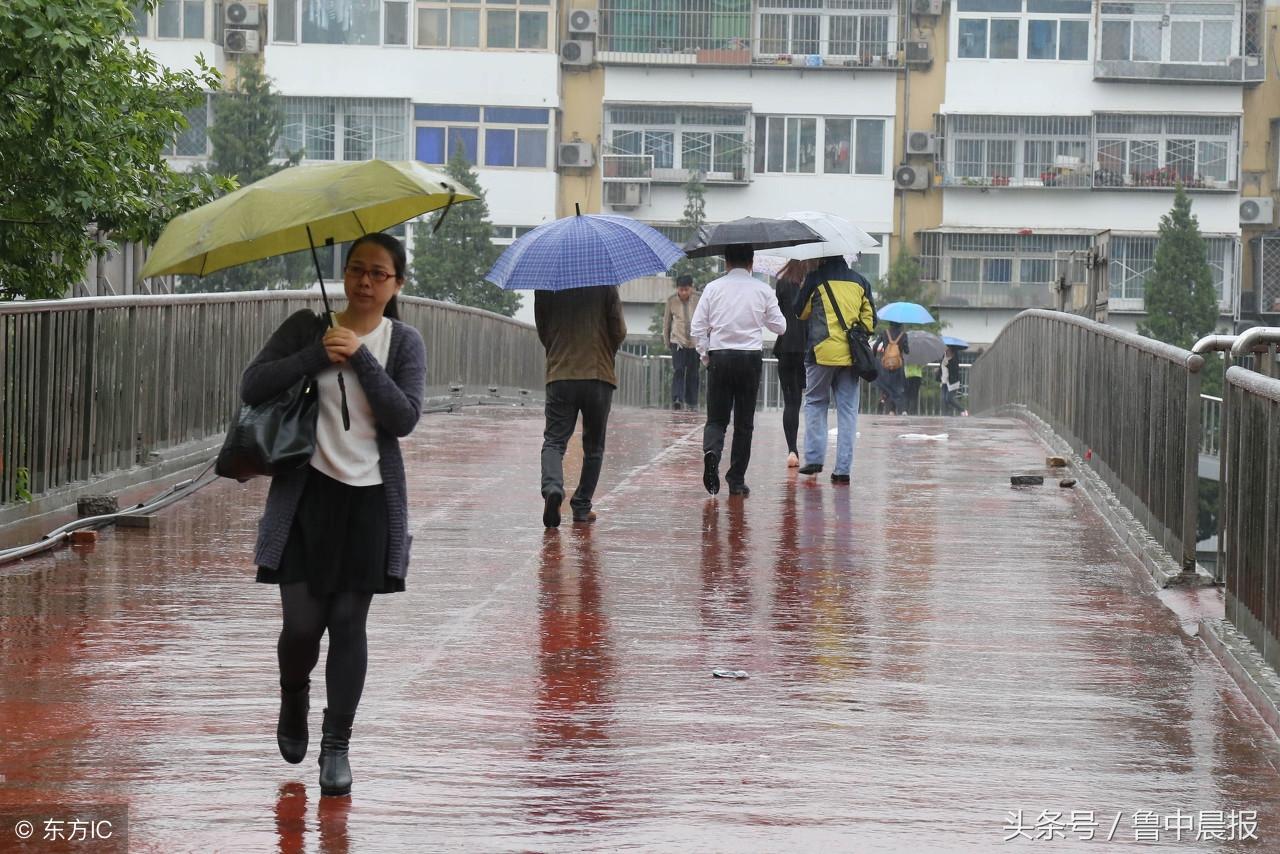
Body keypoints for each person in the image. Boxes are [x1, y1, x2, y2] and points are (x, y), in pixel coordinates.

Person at [243, 232, 426, 799]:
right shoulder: (307, 325)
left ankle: (337, 745)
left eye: (378, 273)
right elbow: (252, 385)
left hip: (369, 500)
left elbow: (404, 418)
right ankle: (293, 692)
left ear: (396, 283)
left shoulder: (404, 341)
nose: (365, 282)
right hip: (305, 497)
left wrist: (361, 358)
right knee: (302, 626)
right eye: (355, 270)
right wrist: (315, 354)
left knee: (349, 623)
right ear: (343, 275)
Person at [691, 244, 787, 497]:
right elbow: (781, 327)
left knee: (716, 419)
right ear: (751, 262)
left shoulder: (712, 288)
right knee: (744, 424)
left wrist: (705, 355)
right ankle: (736, 480)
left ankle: (712, 451)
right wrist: (761, 316)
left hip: (720, 356)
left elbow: (697, 328)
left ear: (726, 263)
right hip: (749, 359)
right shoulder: (763, 290)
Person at [536, 285, 627, 528]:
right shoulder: (606, 285)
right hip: (598, 374)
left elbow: (543, 331)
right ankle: (582, 506)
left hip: (561, 374)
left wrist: (559, 353)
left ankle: (553, 487)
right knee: (594, 446)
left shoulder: (546, 286)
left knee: (554, 441)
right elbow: (618, 331)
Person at [793, 255, 875, 484]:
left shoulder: (814, 279)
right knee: (848, 411)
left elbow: (800, 312)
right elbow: (870, 322)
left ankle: (814, 459)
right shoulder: (860, 282)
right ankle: (842, 470)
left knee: (816, 403)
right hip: (851, 357)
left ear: (822, 257)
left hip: (821, 352)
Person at [773, 259, 812, 467]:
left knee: (791, 403)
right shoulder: (812, 281)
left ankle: (792, 450)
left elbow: (777, 315)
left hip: (786, 345)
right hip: (808, 347)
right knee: (812, 402)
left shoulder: (782, 282)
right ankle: (813, 451)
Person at [663, 274, 701, 410]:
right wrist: (667, 341)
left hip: (695, 342)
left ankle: (692, 401)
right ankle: (677, 399)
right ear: (677, 289)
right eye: (681, 290)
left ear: (691, 288)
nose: (683, 292)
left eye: (686, 289)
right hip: (677, 341)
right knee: (678, 370)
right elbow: (667, 322)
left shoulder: (699, 299)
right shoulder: (671, 300)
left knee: (693, 372)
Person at [873, 321, 911, 415]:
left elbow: (875, 346)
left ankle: (890, 410)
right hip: (898, 365)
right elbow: (907, 351)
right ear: (900, 324)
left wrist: (874, 357)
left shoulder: (884, 333)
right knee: (899, 387)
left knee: (888, 387)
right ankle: (902, 410)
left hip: (886, 364)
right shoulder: (903, 335)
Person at [941, 345, 967, 416]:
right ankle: (946, 414)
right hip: (944, 380)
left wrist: (948, 364)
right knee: (944, 399)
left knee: (949, 398)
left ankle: (963, 410)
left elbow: (954, 369)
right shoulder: (944, 355)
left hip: (953, 381)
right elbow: (942, 365)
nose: (946, 349)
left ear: (951, 350)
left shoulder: (955, 357)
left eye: (947, 348)